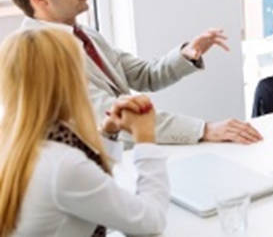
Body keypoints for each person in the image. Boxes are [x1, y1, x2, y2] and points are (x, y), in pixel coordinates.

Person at [1, 0, 262, 145]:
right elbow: (114, 116)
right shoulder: (38, 55)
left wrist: (188, 54)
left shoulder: (85, 35)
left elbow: (144, 75)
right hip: (83, 179)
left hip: (117, 160)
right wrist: (204, 130)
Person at [0, 28, 168, 237]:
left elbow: (89, 188)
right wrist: (146, 140)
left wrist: (108, 132)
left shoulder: (15, 142)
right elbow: (150, 224)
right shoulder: (62, 166)